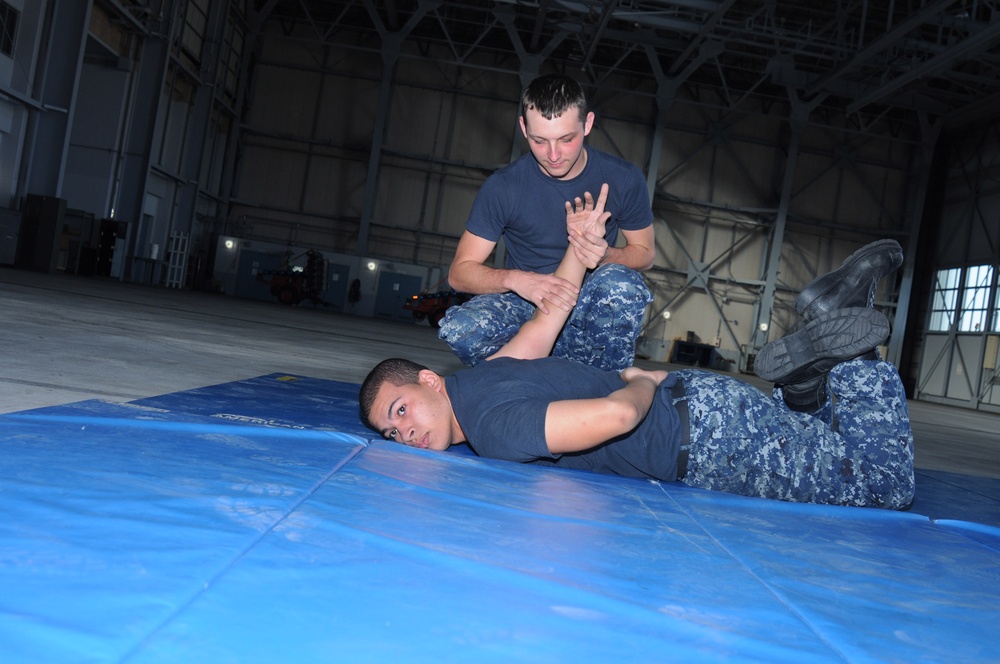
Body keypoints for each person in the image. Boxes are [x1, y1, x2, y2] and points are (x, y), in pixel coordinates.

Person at [361, 186, 913, 509]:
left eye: (400, 409)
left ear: (429, 378)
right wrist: (579, 249)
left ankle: (856, 361)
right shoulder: (492, 369)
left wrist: (641, 385)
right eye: (392, 432)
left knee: (884, 483)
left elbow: (616, 415)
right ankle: (804, 382)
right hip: (709, 405)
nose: (403, 433)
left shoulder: (494, 430)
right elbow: (553, 310)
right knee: (819, 437)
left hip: (706, 443)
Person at [438, 73, 655, 373]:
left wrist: (604, 254)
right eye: (540, 141)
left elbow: (645, 254)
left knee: (622, 285)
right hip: (524, 305)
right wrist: (517, 280)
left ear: (588, 124)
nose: (553, 155)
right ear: (523, 128)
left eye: (567, 139)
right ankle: (527, 379)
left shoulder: (623, 178)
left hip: (588, 308)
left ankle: (602, 386)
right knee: (461, 329)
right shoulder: (504, 187)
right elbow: (459, 273)